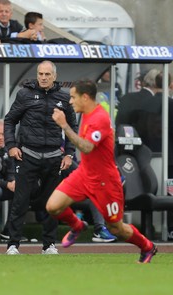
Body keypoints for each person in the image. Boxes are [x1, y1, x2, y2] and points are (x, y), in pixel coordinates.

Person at [46, 79, 157, 263]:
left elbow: (87, 147)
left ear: (85, 97)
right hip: (84, 174)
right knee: (52, 206)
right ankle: (77, 225)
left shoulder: (100, 118)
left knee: (116, 228)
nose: (71, 101)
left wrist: (64, 126)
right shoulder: (86, 114)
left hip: (105, 182)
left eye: (73, 97)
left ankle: (147, 246)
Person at [4, 60, 77, 255]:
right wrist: (10, 146)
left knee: (52, 203)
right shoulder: (24, 94)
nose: (43, 78)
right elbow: (10, 120)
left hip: (54, 155)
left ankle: (49, 245)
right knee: (20, 201)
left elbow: (72, 127)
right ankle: (13, 244)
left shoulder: (64, 97)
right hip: (28, 154)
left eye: (47, 74)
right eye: (40, 74)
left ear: (54, 76)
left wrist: (70, 153)